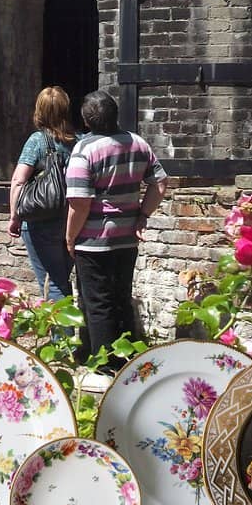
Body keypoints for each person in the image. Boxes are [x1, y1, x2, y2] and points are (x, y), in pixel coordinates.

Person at [65, 89, 167, 365]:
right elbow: (159, 183)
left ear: (86, 121)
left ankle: (104, 365)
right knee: (122, 298)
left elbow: (79, 202)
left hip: (93, 239)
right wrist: (143, 214)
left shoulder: (84, 150)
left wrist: (70, 236)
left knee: (97, 304)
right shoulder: (138, 143)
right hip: (126, 238)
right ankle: (128, 363)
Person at [8, 86, 77, 301]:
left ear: (39, 111)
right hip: (72, 219)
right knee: (62, 279)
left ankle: (61, 335)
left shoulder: (37, 141)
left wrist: (14, 216)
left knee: (52, 282)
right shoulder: (80, 141)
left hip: (41, 219)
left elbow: (19, 180)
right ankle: (68, 333)